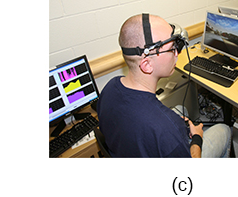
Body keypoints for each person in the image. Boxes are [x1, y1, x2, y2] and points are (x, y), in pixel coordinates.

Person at [98, 14, 231, 158]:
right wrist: (197, 138)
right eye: (172, 48)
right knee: (223, 130)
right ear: (147, 65)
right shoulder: (167, 128)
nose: (177, 54)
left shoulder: (109, 87)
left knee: (181, 110)